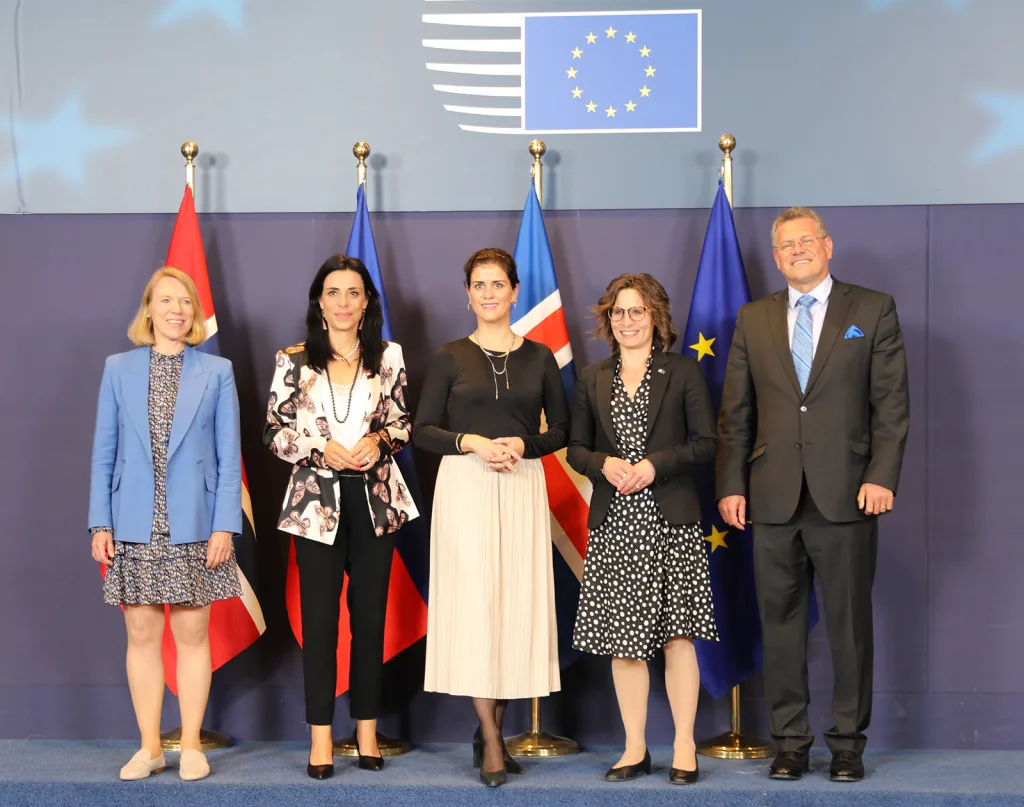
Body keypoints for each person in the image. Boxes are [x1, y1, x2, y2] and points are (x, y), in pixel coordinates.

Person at [717, 207, 909, 783]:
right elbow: (736, 414)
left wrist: (881, 475)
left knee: (849, 625)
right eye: (786, 245)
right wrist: (731, 484)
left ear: (827, 246)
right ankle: (791, 743)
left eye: (806, 240)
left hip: (848, 495)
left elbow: (891, 406)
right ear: (775, 257)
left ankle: (847, 744)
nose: (797, 250)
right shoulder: (752, 318)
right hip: (770, 497)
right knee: (779, 625)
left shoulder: (872, 309)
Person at [413, 247, 569, 788]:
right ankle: (493, 740)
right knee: (478, 608)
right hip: (465, 485)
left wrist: (522, 445)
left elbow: (563, 432)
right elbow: (421, 429)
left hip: (522, 484)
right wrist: (472, 442)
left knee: (511, 609)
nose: (489, 293)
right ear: (468, 293)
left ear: (514, 291)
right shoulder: (450, 355)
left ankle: (491, 732)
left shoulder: (541, 357)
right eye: (479, 284)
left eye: (498, 284)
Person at [264, 255, 418, 780]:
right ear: (319, 301)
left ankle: (367, 732)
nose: (344, 302)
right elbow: (274, 432)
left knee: (371, 620)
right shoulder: (293, 359)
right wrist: (318, 448)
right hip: (314, 505)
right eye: (334, 292)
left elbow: (402, 424)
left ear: (367, 301)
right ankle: (321, 738)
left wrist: (379, 440)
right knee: (321, 624)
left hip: (375, 500)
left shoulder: (389, 356)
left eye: (354, 293)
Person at [88, 266, 242, 782]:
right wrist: (99, 523)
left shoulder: (216, 372)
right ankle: (150, 746)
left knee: (194, 633)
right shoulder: (118, 368)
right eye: (166, 301)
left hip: (196, 525)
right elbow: (103, 453)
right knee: (140, 632)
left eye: (186, 302)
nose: (177, 310)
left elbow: (228, 457)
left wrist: (225, 526)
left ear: (195, 314)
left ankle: (192, 744)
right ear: (148, 309)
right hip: (133, 521)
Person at [567, 273, 718, 785]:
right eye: (618, 313)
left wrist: (655, 465)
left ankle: (683, 746)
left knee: (679, 637)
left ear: (657, 317)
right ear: (608, 320)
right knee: (624, 643)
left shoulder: (684, 372)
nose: (627, 321)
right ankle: (634, 748)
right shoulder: (591, 378)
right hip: (616, 525)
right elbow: (576, 449)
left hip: (670, 520)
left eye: (636, 311)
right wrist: (602, 463)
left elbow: (705, 443)